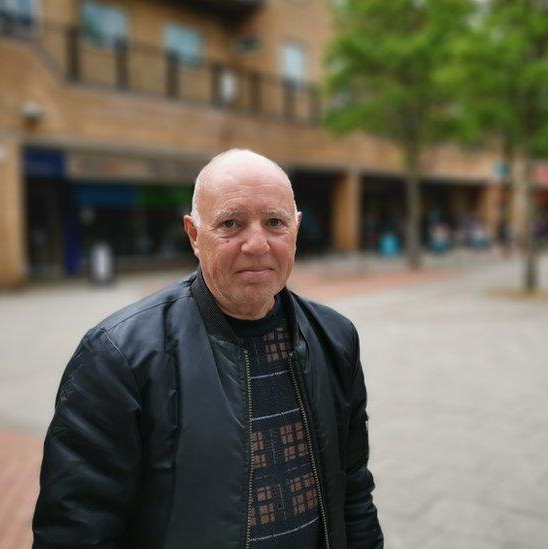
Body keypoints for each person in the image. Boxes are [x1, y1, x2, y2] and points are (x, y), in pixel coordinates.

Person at [32, 149, 383, 548]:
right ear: (194, 235)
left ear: (296, 229)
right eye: (231, 223)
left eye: (274, 223)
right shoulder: (118, 357)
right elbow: (76, 531)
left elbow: (353, 489)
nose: (257, 244)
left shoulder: (334, 338)